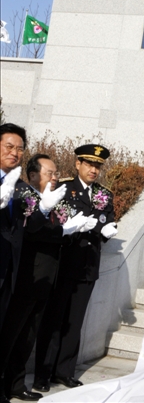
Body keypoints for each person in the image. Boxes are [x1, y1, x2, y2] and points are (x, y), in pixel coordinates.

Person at [0, 154, 90, 402]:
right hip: (26, 278)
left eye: (56, 173)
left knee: (27, 336)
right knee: (10, 335)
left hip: (46, 279)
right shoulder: (21, 195)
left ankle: (16, 384)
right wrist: (62, 230)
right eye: (49, 173)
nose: (55, 177)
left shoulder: (51, 201)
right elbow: (30, 231)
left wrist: (74, 227)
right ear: (32, 176)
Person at [34, 144, 117, 392]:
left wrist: (106, 230)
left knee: (75, 321)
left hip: (88, 265)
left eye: (98, 166)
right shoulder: (64, 188)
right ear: (78, 164)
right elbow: (55, 223)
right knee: (54, 319)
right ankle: (43, 373)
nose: (94, 169)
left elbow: (108, 222)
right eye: (89, 164)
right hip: (64, 263)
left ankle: (64, 371)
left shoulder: (104, 194)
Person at [0, 123, 28, 330]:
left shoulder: (22, 187)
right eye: (9, 147)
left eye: (19, 149)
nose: (14, 153)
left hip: (9, 270)